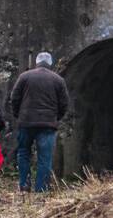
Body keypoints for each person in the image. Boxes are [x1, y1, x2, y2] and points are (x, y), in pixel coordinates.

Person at [9, 51, 69, 193]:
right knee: (45, 157)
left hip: (26, 122)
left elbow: (14, 98)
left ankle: (24, 184)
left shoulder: (24, 76)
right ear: (50, 64)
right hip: (48, 124)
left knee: (23, 152)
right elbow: (64, 104)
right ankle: (41, 189)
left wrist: (18, 115)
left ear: (36, 63)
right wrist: (56, 118)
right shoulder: (58, 80)